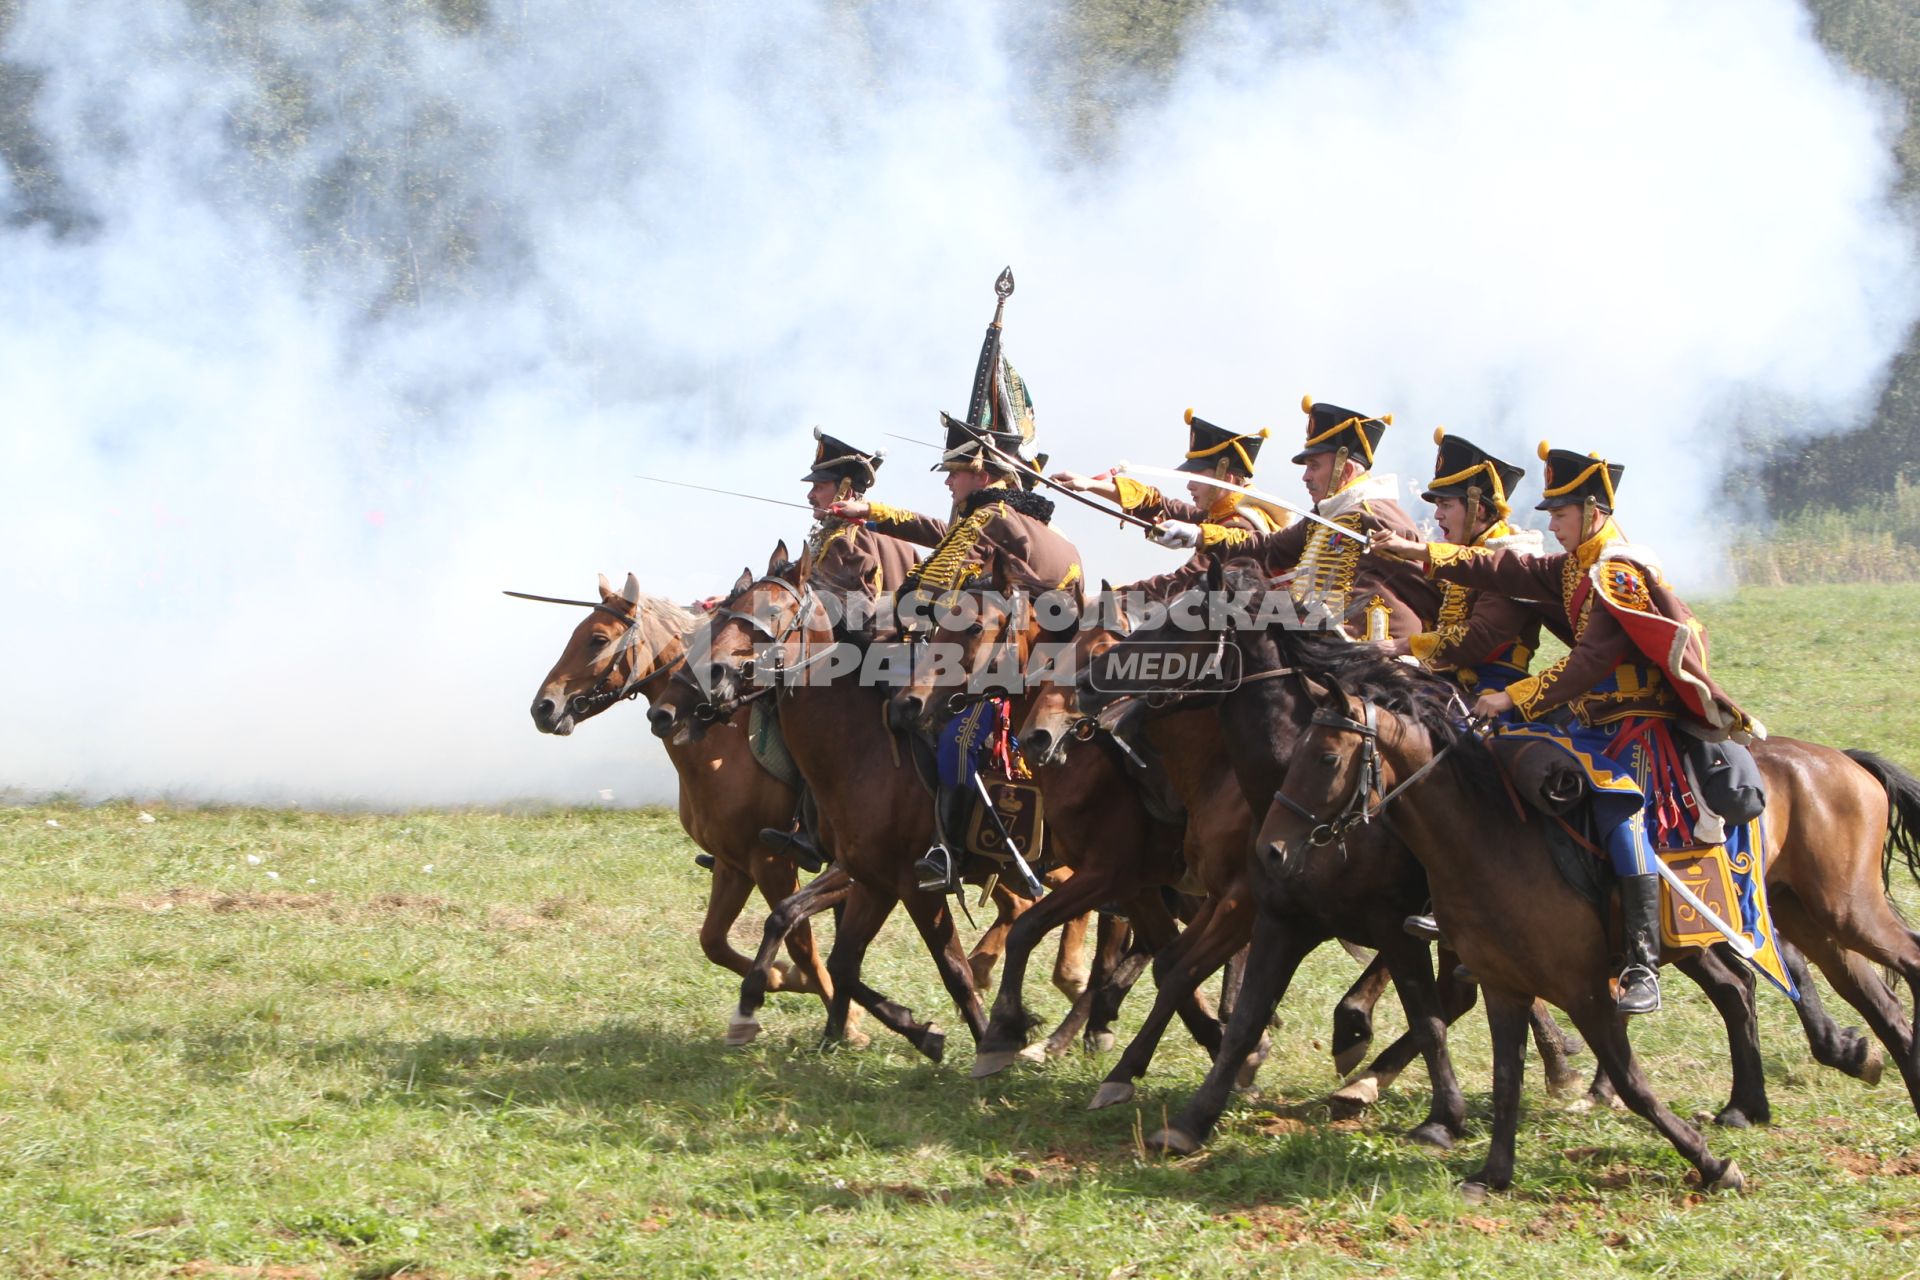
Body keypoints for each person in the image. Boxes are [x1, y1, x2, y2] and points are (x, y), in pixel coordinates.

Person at [1371, 442, 1765, 1014]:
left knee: (1617, 812)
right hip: (1592, 718)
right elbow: (1509, 567)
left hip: (1636, 725)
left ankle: (1639, 961)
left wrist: (1512, 695)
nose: (1551, 525)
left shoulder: (1618, 570)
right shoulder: (1579, 562)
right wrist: (1421, 551)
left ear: (1593, 512)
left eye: (1559, 514)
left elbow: (1590, 662)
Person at [831, 277, 1083, 894]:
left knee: (946, 741)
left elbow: (936, 579)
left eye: (955, 473)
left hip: (1016, 671)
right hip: (1001, 656)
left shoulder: (993, 523)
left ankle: (951, 848)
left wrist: (898, 612)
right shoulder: (995, 518)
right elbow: (938, 536)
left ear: (981, 472)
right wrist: (874, 515)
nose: (948, 484)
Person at [1390, 429, 1547, 942]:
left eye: (1447, 504)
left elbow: (1480, 638)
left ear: (1479, 506)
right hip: (1444, 682)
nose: (1437, 514)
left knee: (1457, 764)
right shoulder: (1462, 554)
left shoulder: (1509, 559)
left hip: (1493, 687)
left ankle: (1457, 889)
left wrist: (1404, 649)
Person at [750, 428, 922, 872]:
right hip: (884, 656)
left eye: (819, 487)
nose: (811, 495)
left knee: (767, 693)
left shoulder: (851, 538)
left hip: (866, 659)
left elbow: (853, 613)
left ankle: (798, 823)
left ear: (846, 489)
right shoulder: (863, 535)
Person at [1151, 395, 1438, 641]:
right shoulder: (1326, 517)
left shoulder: (1378, 515)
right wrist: (1199, 536)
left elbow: (1425, 589)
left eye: (1314, 466)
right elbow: (1268, 548)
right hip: (1323, 647)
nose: (1306, 476)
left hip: (1374, 655)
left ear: (1345, 468)